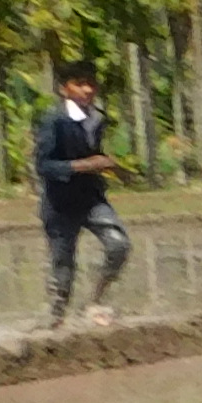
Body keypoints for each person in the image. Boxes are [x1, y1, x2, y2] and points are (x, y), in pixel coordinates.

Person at [34, 67, 131, 325]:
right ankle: (55, 319)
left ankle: (94, 301)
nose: (87, 90)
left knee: (118, 245)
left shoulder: (97, 118)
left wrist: (113, 168)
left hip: (91, 199)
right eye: (79, 84)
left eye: (90, 84)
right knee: (63, 266)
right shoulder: (53, 120)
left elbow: (96, 154)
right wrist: (86, 165)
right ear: (64, 89)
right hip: (60, 203)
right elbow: (44, 166)